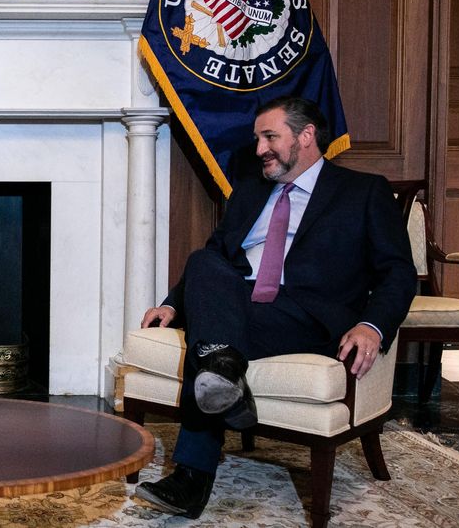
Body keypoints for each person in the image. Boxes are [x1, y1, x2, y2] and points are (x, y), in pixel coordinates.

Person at [134, 95, 417, 519]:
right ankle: (225, 373)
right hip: (236, 304)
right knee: (203, 262)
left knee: (208, 343)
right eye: (257, 139)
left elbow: (399, 272)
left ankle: (192, 476)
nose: (259, 149)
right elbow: (216, 257)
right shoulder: (250, 190)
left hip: (308, 315)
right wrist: (172, 304)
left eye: (269, 137)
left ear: (306, 136)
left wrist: (371, 326)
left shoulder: (363, 191)